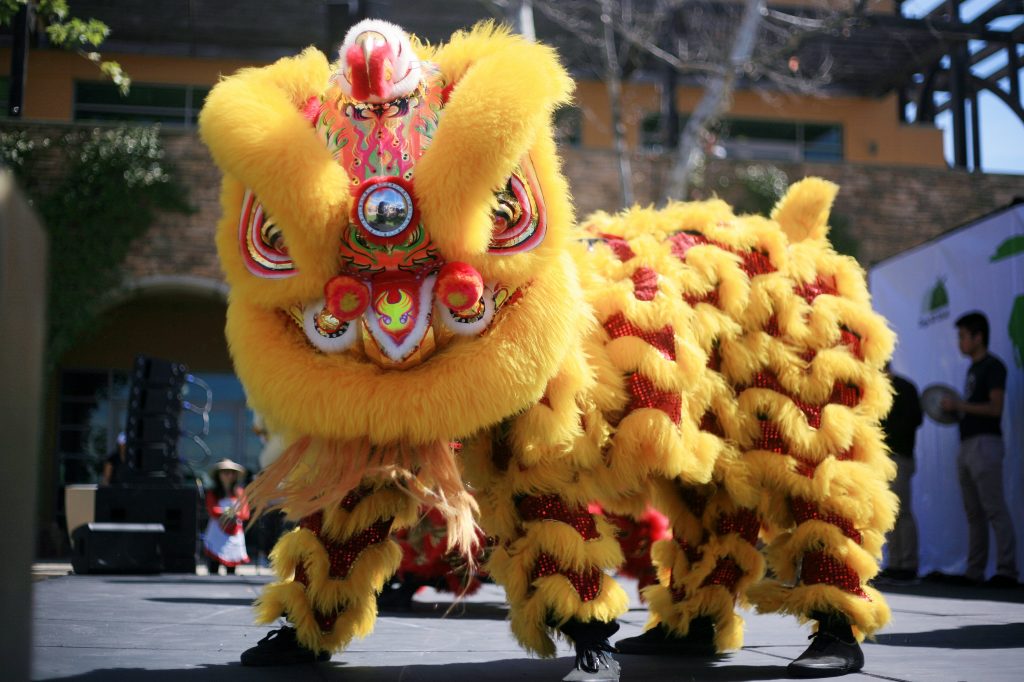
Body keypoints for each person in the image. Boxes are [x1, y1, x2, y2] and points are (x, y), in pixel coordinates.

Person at [941, 311, 1018, 587]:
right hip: (968, 445)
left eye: (962, 336)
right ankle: (975, 571)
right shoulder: (974, 369)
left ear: (978, 337)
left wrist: (959, 406)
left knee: (994, 508)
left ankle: (1007, 570)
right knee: (974, 511)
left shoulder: (992, 366)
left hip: (985, 444)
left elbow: (995, 408)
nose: (959, 342)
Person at [879, 364, 922, 581]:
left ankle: (908, 565)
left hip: (899, 458)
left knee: (901, 511)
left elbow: (915, 421)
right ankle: (895, 563)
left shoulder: (905, 388)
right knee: (888, 514)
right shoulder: (875, 388)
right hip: (882, 459)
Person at [203, 459, 251, 575]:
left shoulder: (240, 492)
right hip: (216, 534)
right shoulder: (212, 493)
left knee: (231, 573)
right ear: (218, 475)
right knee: (213, 570)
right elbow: (212, 509)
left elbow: (245, 513)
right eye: (225, 472)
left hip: (234, 535)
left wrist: (234, 514)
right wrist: (230, 512)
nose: (228, 475)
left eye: (231, 472)